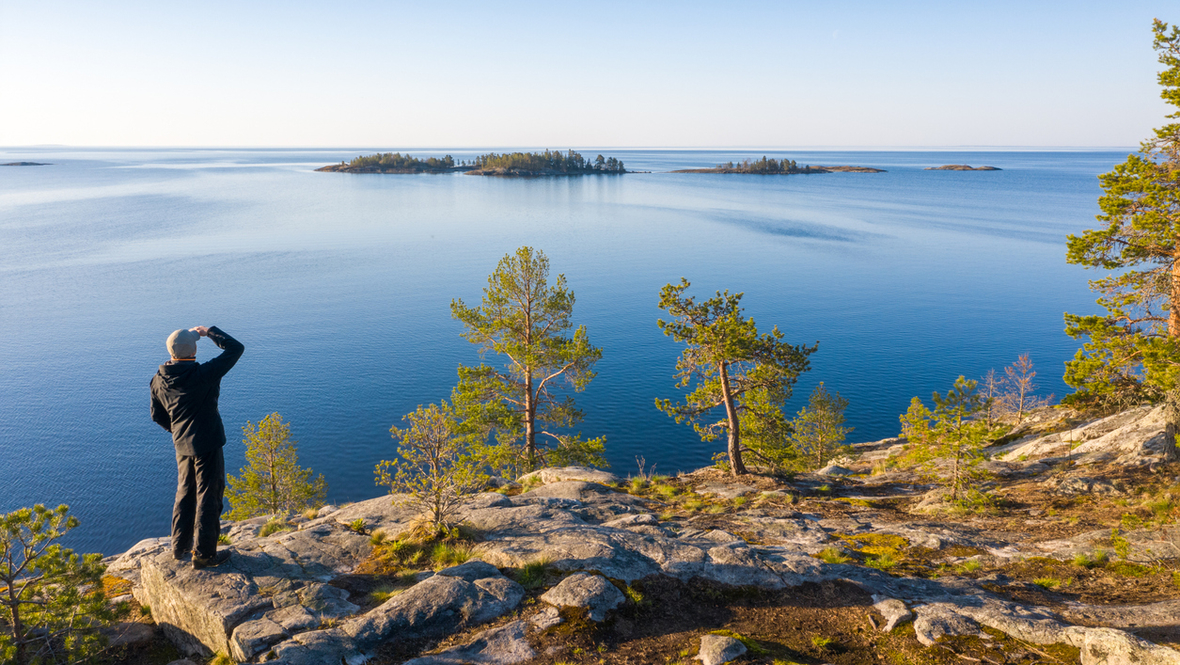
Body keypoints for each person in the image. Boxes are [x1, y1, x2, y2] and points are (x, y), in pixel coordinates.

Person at [150, 325, 244, 570]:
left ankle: (179, 547)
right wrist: (210, 332)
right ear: (192, 351)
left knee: (184, 493)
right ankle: (203, 555)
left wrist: (179, 431)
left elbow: (157, 416)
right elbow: (236, 348)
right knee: (208, 497)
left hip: (182, 445)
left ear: (170, 352)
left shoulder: (158, 380)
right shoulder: (203, 374)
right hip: (208, 444)